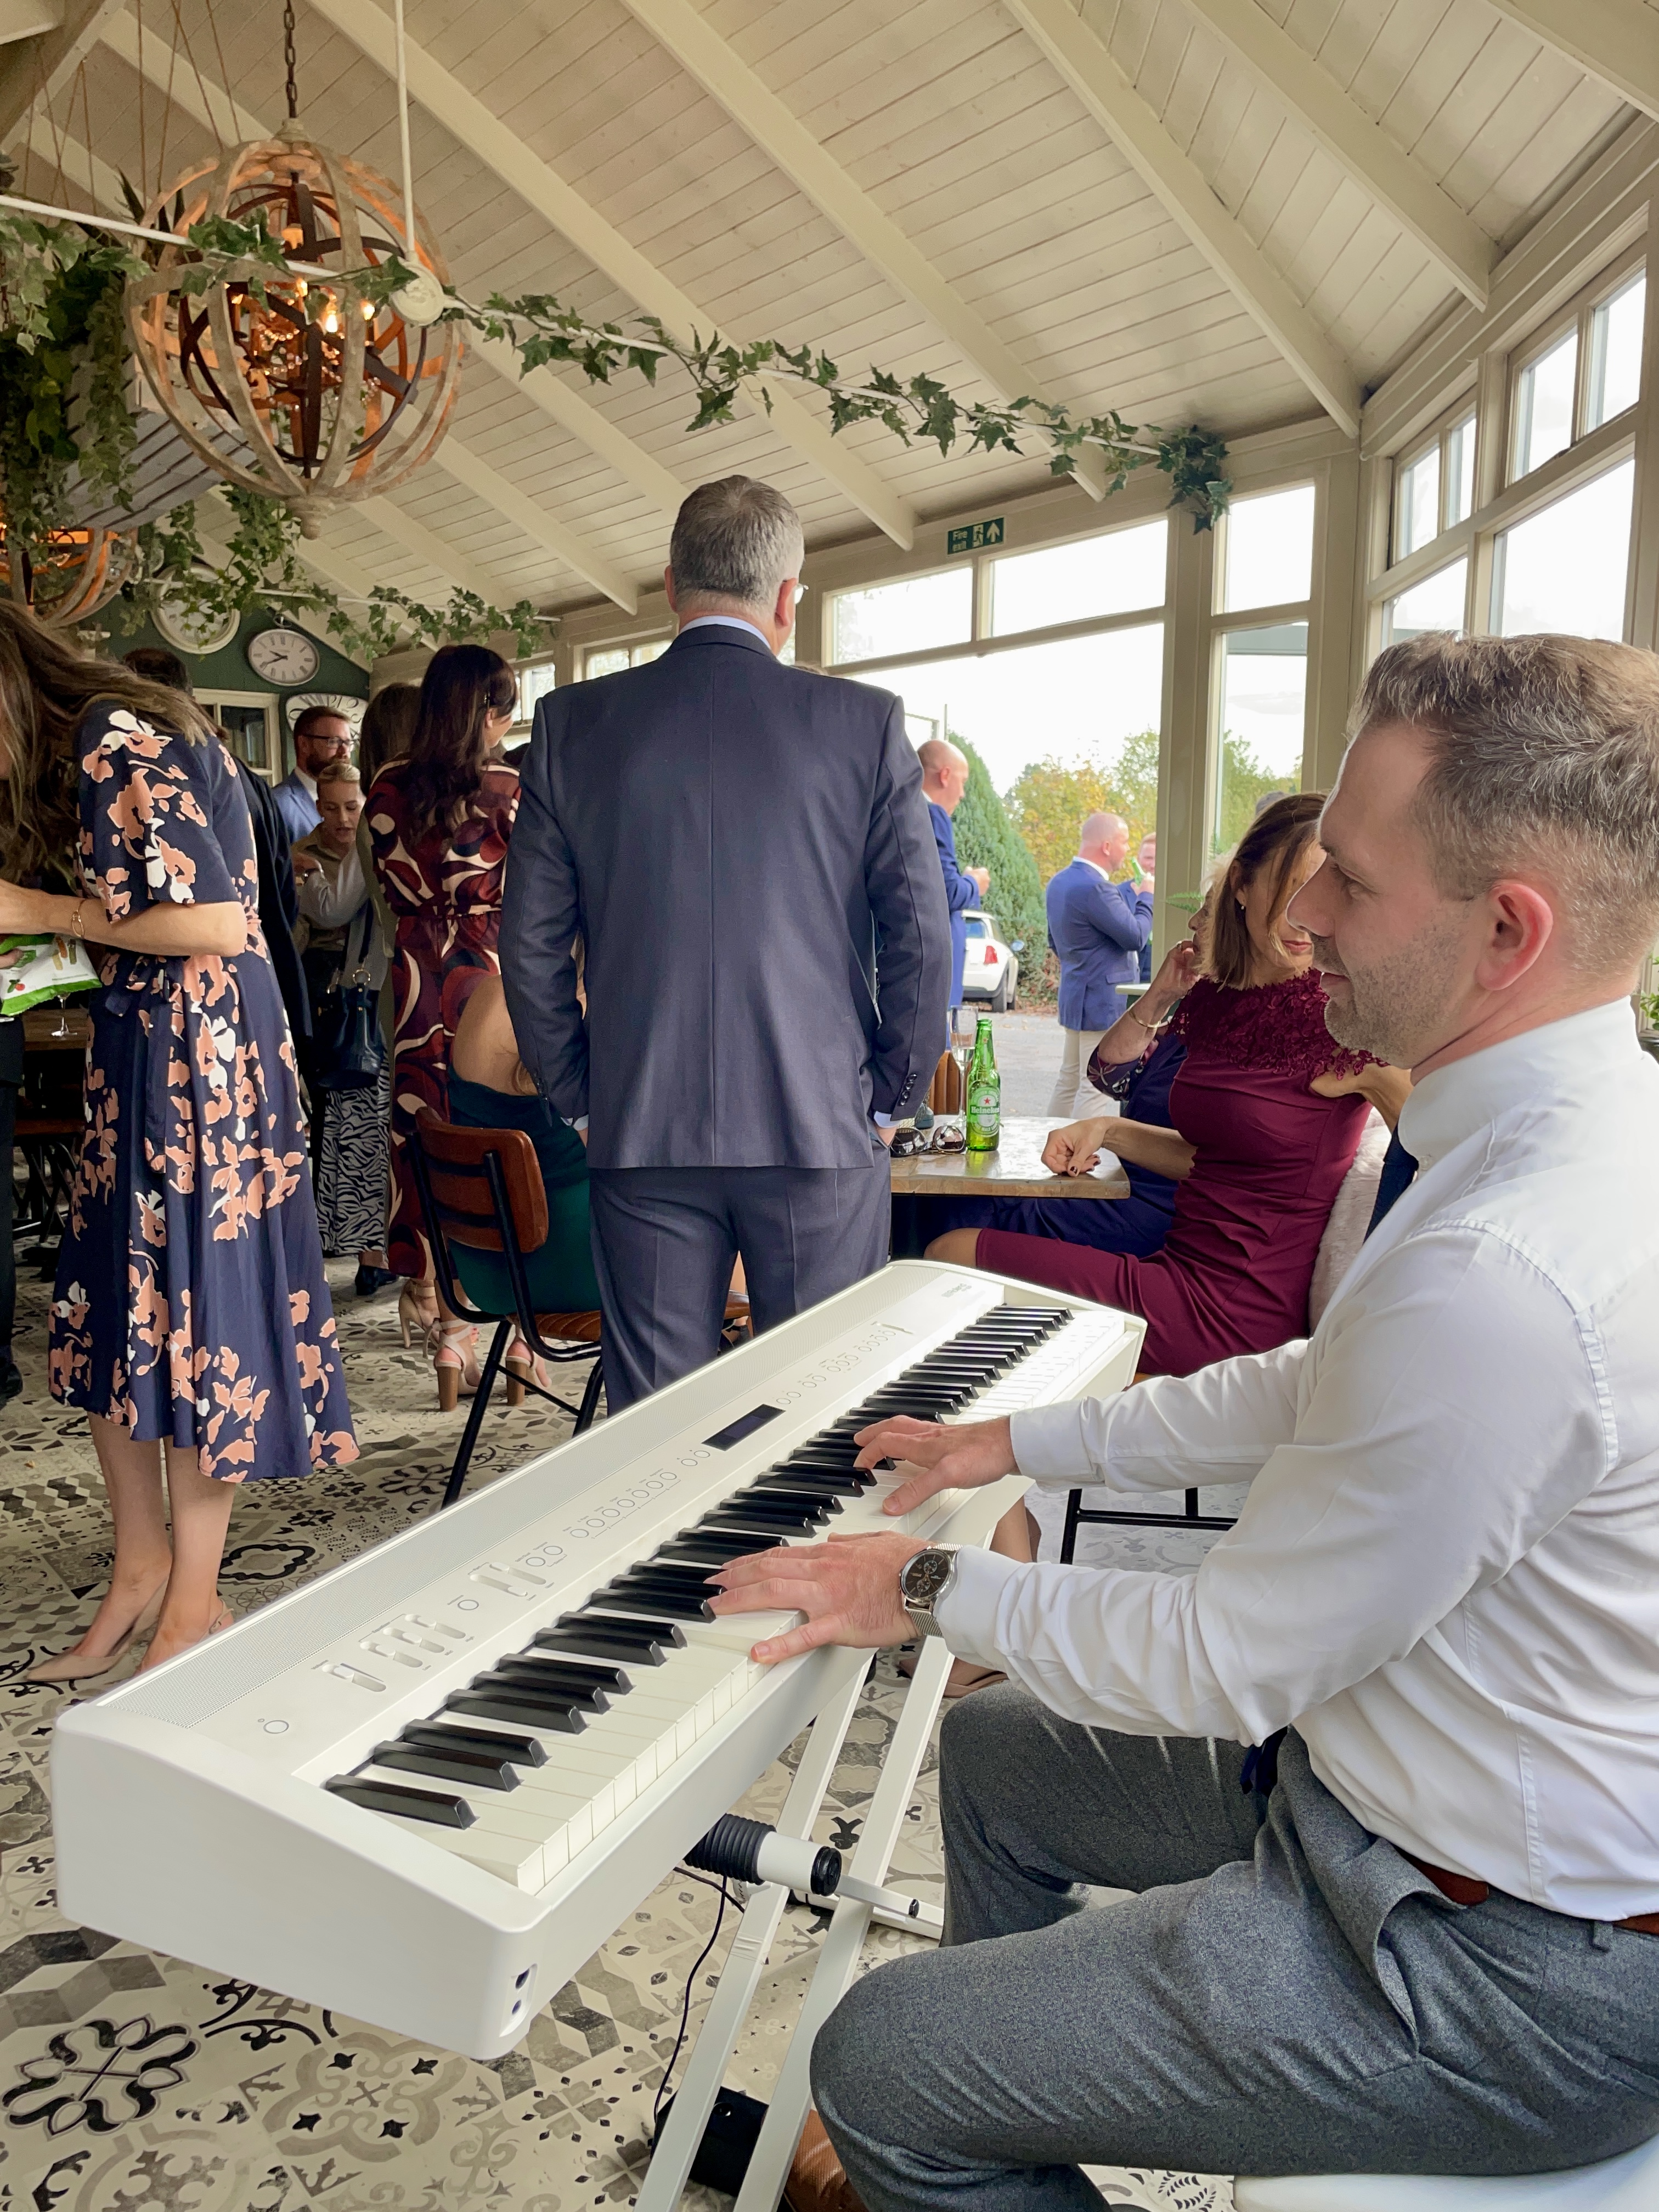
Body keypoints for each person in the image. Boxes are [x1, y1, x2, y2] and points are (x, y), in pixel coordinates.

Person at [712, 630, 1659, 2206]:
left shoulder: (1512, 1265)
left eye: (1349, 881)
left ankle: (929, 2130)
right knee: (1005, 1758)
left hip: (1498, 1969)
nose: (1303, 918)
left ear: (1508, 931)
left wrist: (922, 1584)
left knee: (874, 2056)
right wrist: (1019, 1443)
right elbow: (1328, 1384)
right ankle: (981, 2126)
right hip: (1385, 1812)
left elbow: (1229, 1656)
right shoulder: (1559, 1128)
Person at [503, 473, 950, 1412]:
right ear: (789, 598)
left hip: (641, 1121)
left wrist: (582, 1095)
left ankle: (674, 1565)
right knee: (819, 1410)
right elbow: (918, 931)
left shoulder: (569, 727)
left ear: (670, 583)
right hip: (818, 1121)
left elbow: (530, 947)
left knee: (656, 1426)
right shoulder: (861, 725)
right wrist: (889, 1098)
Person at [0, 607, 354, 1683]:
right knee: (115, 1315)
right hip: (146, 1046)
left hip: (200, 1057)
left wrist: (35, 907)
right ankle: (144, 1573)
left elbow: (214, 923)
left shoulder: (116, 729)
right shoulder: (90, 743)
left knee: (198, 1324)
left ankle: (193, 1602)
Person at [938, 794, 1404, 1376]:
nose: (1308, 920)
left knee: (951, 1256)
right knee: (958, 1259)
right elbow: (1212, 1161)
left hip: (1235, 1313)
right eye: (1292, 893)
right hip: (1174, 1271)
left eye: (1331, 896)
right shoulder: (1216, 1001)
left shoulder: (1343, 1022)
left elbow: (1438, 1157)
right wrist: (1109, 1128)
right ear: (1241, 884)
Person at [368, 644, 520, 1401]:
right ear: (490, 713)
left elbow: (386, 886)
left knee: (426, 1139)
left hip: (415, 980)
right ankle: (522, 1333)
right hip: (493, 979)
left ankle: (448, 1328)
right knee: (509, 1135)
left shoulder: (387, 786)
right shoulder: (512, 790)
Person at [919, 907, 1201, 1263]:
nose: (1194, 921)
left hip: (1154, 1212)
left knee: (962, 1212)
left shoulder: (1239, 1034)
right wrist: (1162, 993)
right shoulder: (1199, 1013)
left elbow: (1214, 1157)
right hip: (1118, 1185)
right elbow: (1107, 1074)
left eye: (1208, 911)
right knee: (948, 1204)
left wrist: (1107, 1131)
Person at [122, 646, 311, 1056]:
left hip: (193, 986)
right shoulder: (240, 772)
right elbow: (283, 887)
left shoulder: (164, 777)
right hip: (266, 961)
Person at [446, 973, 601, 1402]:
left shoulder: (488, 991)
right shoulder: (577, 1009)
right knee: (732, 1217)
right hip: (559, 1268)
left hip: (485, 1268)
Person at [293, 763, 393, 1298]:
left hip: (370, 993)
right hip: (399, 990)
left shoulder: (370, 837)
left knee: (364, 1129)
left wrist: (303, 878)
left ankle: (374, 1249)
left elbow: (330, 908)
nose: (341, 817)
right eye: (330, 807)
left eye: (350, 806)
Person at [1045, 811, 1153, 1117]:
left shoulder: (1060, 883)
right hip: (1101, 1002)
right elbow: (1135, 937)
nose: (1126, 850)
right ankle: (1076, 1154)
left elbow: (1054, 942)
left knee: (1069, 1080)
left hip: (1076, 994)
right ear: (1107, 846)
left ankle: (1049, 1141)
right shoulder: (1097, 888)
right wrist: (1147, 898)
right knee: (1093, 1085)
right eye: (1124, 842)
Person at [917, 738, 988, 1047]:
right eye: (962, 781)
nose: (962, 794)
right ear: (945, 775)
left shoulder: (904, 812)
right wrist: (974, 883)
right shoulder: (933, 816)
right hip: (934, 968)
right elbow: (945, 892)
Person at [273, 703, 352, 844]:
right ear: (304, 744)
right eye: (333, 742)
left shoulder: (359, 802)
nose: (344, 752)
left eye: (348, 743)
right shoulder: (278, 805)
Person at [1133, 829, 1157, 983]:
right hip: (1131, 980)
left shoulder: (1177, 897)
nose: (1154, 865)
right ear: (1138, 859)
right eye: (1149, 858)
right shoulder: (1118, 894)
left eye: (1158, 858)